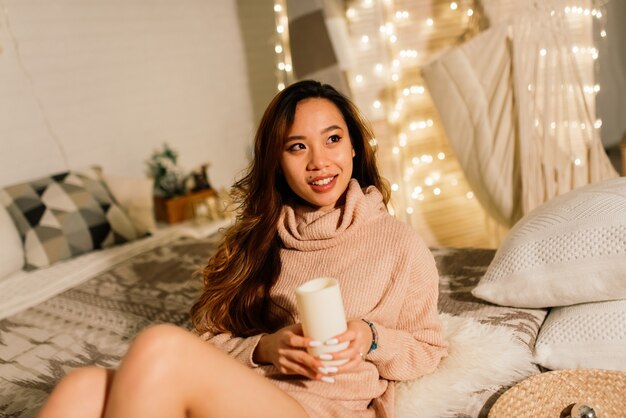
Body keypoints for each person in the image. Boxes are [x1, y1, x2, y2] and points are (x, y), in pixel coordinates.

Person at [38, 80, 448, 418]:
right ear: (278, 161)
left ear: (354, 147)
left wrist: (370, 337)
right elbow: (208, 339)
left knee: (160, 345)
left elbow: (428, 350)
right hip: (242, 400)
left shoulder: (399, 244)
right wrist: (263, 347)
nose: (319, 162)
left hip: (317, 410)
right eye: (297, 147)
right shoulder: (261, 239)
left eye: (333, 139)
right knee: (82, 387)